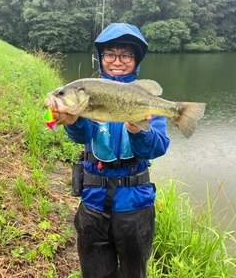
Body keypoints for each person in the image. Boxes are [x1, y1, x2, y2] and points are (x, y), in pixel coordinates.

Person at [46, 23, 170, 278]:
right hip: (93, 201)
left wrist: (139, 131)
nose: (117, 61)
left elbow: (158, 147)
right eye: (110, 54)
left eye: (126, 55)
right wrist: (73, 121)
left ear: (135, 60)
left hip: (135, 203)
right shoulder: (88, 92)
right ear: (101, 58)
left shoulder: (144, 97)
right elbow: (84, 135)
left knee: (133, 273)